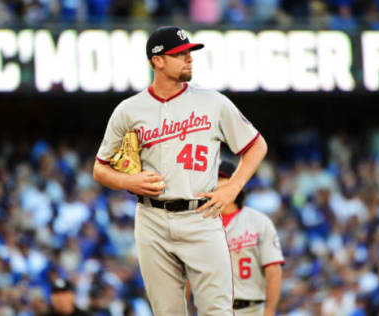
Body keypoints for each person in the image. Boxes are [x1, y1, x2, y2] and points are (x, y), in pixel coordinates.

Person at [93, 26, 268, 316]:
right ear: (157, 61)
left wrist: (233, 186)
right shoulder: (129, 110)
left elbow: (256, 146)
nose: (189, 58)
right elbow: (100, 169)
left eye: (189, 53)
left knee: (218, 311)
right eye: (179, 54)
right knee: (167, 312)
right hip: (152, 219)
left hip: (202, 216)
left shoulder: (213, 102)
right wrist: (127, 180)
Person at [217, 160, 284, 316]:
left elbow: (273, 270)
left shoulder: (259, 221)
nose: (218, 184)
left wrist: (270, 310)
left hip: (252, 309)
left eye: (222, 179)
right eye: (214, 179)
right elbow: (188, 277)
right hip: (212, 309)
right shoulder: (200, 225)